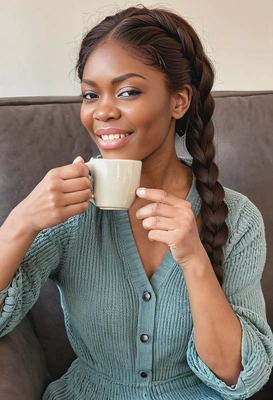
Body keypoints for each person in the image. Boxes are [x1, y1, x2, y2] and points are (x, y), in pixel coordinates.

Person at [0, 4, 272, 399]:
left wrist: (194, 258)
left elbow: (237, 376)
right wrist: (20, 223)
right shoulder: (68, 213)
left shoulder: (239, 218)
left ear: (179, 101)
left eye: (127, 91)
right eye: (91, 94)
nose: (103, 111)